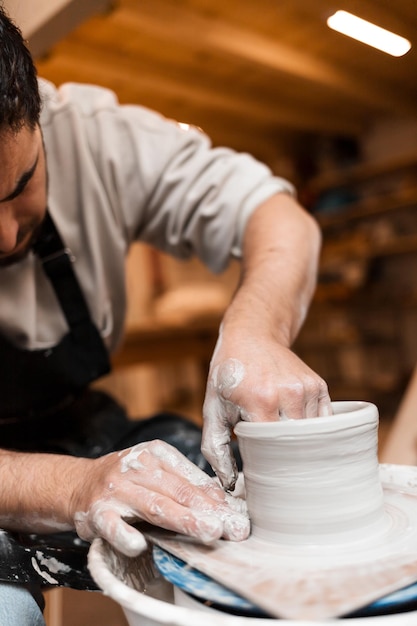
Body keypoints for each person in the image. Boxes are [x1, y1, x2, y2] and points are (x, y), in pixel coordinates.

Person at [0, 4, 331, 624]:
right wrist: (73, 487)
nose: (3, 234)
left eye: (20, 185)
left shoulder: (94, 136)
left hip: (75, 423)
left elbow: (277, 216)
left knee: (236, 516)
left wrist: (257, 327)